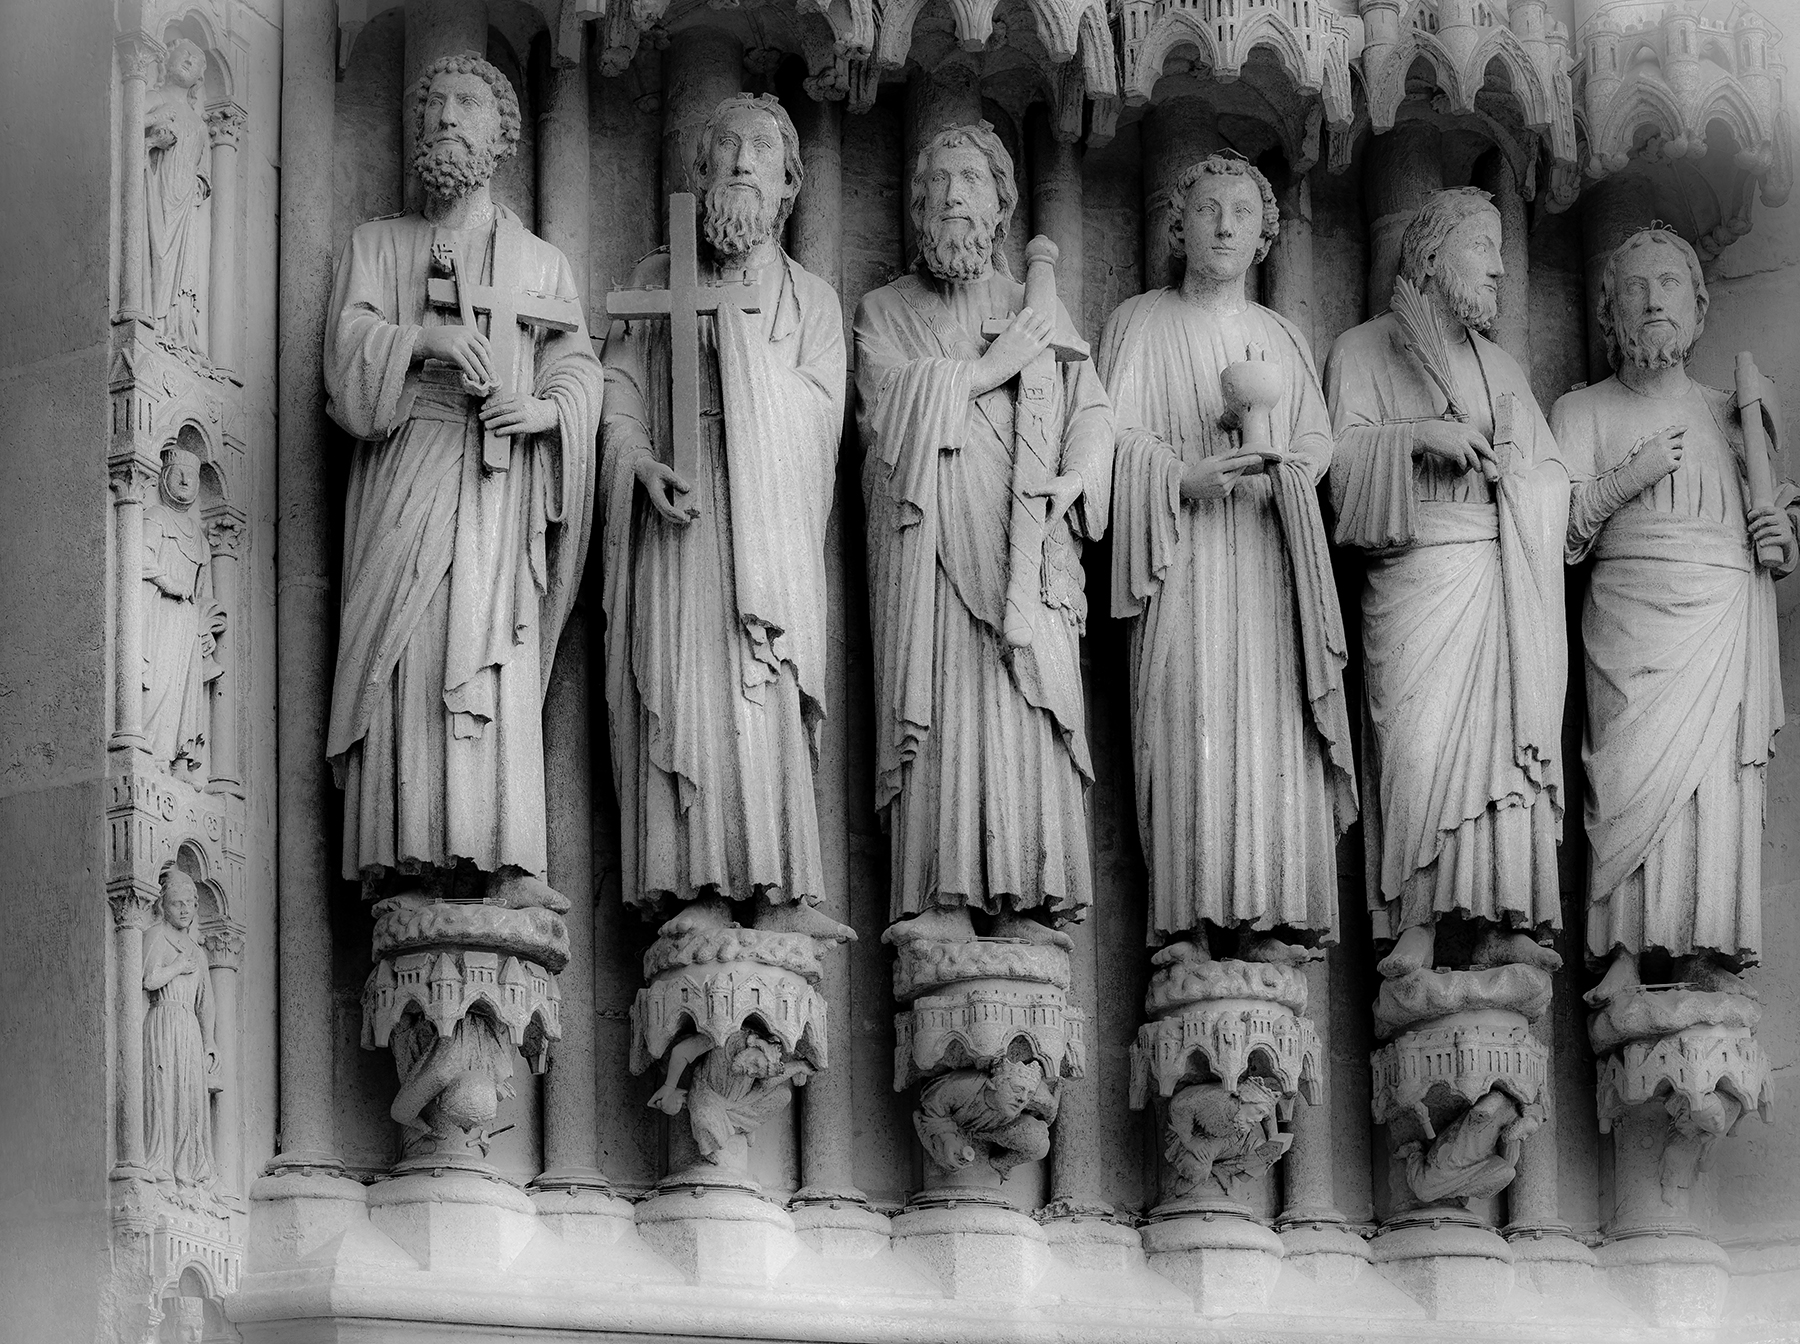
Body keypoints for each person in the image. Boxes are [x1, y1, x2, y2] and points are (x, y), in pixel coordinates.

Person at [323, 53, 602, 905]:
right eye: (434, 103)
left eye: (468, 103)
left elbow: (579, 370)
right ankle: (406, 858)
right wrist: (422, 341)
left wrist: (544, 411)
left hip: (497, 485)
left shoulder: (542, 264)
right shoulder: (377, 245)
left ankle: (507, 860)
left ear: (504, 134)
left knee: (492, 660)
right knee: (409, 652)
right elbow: (345, 359)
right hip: (407, 468)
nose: (447, 116)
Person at [855, 123, 1113, 945]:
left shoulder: (1034, 305)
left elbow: (1092, 410)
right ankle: (942, 896)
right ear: (915, 207)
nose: (953, 196)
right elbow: (882, 420)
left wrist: (1077, 476)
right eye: (937, 181)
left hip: (1027, 543)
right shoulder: (886, 311)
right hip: (932, 551)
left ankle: (1028, 899)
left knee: (1023, 704)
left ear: (1003, 204)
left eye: (971, 180)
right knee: (948, 706)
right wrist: (987, 373)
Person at [600, 94, 849, 939]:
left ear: (790, 187)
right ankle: (693, 885)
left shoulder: (811, 301)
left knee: (759, 689)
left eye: (763, 151)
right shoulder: (656, 279)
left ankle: (778, 889)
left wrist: (742, 359)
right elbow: (619, 396)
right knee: (688, 689)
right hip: (681, 513)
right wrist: (638, 464)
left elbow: (822, 422)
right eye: (728, 148)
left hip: (768, 524)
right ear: (701, 172)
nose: (744, 162)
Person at [1100, 154, 1355, 964]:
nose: (1223, 226)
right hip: (1183, 559)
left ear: (1265, 236)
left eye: (1242, 214)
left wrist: (1284, 466)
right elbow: (1109, 439)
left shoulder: (1281, 336)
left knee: (1272, 728)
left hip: (1268, 561)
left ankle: (1271, 917)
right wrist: (1181, 477)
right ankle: (1186, 921)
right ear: (1178, 226)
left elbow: (1317, 440)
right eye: (1208, 209)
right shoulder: (1141, 323)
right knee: (1190, 724)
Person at [1324, 187, 1568, 977]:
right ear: (1431, 256)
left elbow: (1553, 480)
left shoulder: (1502, 369)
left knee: (1500, 756)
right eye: (1482, 248)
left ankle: (1503, 917)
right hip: (1415, 574)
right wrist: (1419, 438)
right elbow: (1335, 472)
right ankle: (1415, 920)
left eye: (1502, 250)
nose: (1499, 268)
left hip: (1498, 578)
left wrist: (1518, 478)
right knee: (1418, 748)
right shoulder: (1362, 352)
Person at [1553, 226, 1798, 1005]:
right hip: (1629, 623)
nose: (1653, 300)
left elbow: (1771, 528)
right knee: (1628, 777)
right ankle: (1623, 951)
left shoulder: (1735, 416)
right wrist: (1629, 477)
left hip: (1721, 621)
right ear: (1609, 313)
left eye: (1669, 285)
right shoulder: (1582, 412)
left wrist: (1780, 536)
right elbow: (1556, 532)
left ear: (1699, 308)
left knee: (1714, 785)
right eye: (1635, 287)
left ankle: (1706, 947)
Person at [142, 445, 224, 775]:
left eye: (191, 476)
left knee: (184, 692)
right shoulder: (156, 517)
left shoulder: (200, 539)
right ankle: (151, 751)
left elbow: (204, 594)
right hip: (160, 614)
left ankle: (180, 760)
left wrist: (206, 631)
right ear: (164, 478)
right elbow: (140, 557)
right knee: (159, 683)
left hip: (188, 622)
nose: (186, 481)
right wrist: (169, 583)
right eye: (179, 474)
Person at [143, 869, 216, 1188]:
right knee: (164, 1092)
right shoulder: (155, 936)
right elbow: (148, 980)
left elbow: (207, 1000)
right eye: (177, 903)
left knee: (189, 1097)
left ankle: (186, 1167)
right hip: (163, 1019)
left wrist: (210, 1040)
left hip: (189, 1027)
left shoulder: (197, 951)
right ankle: (160, 1163)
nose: (185, 910)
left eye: (189, 903)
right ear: (163, 906)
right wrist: (176, 967)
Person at [143, 38, 210, 352]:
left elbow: (202, 171)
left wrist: (198, 185)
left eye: (196, 58)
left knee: (184, 269)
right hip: (157, 190)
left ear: (199, 78)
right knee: (157, 255)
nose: (189, 59)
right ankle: (152, 320)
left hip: (184, 204)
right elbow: (131, 122)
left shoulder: (199, 124)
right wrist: (154, 134)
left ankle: (177, 330)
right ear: (166, 59)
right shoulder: (156, 98)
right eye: (184, 52)